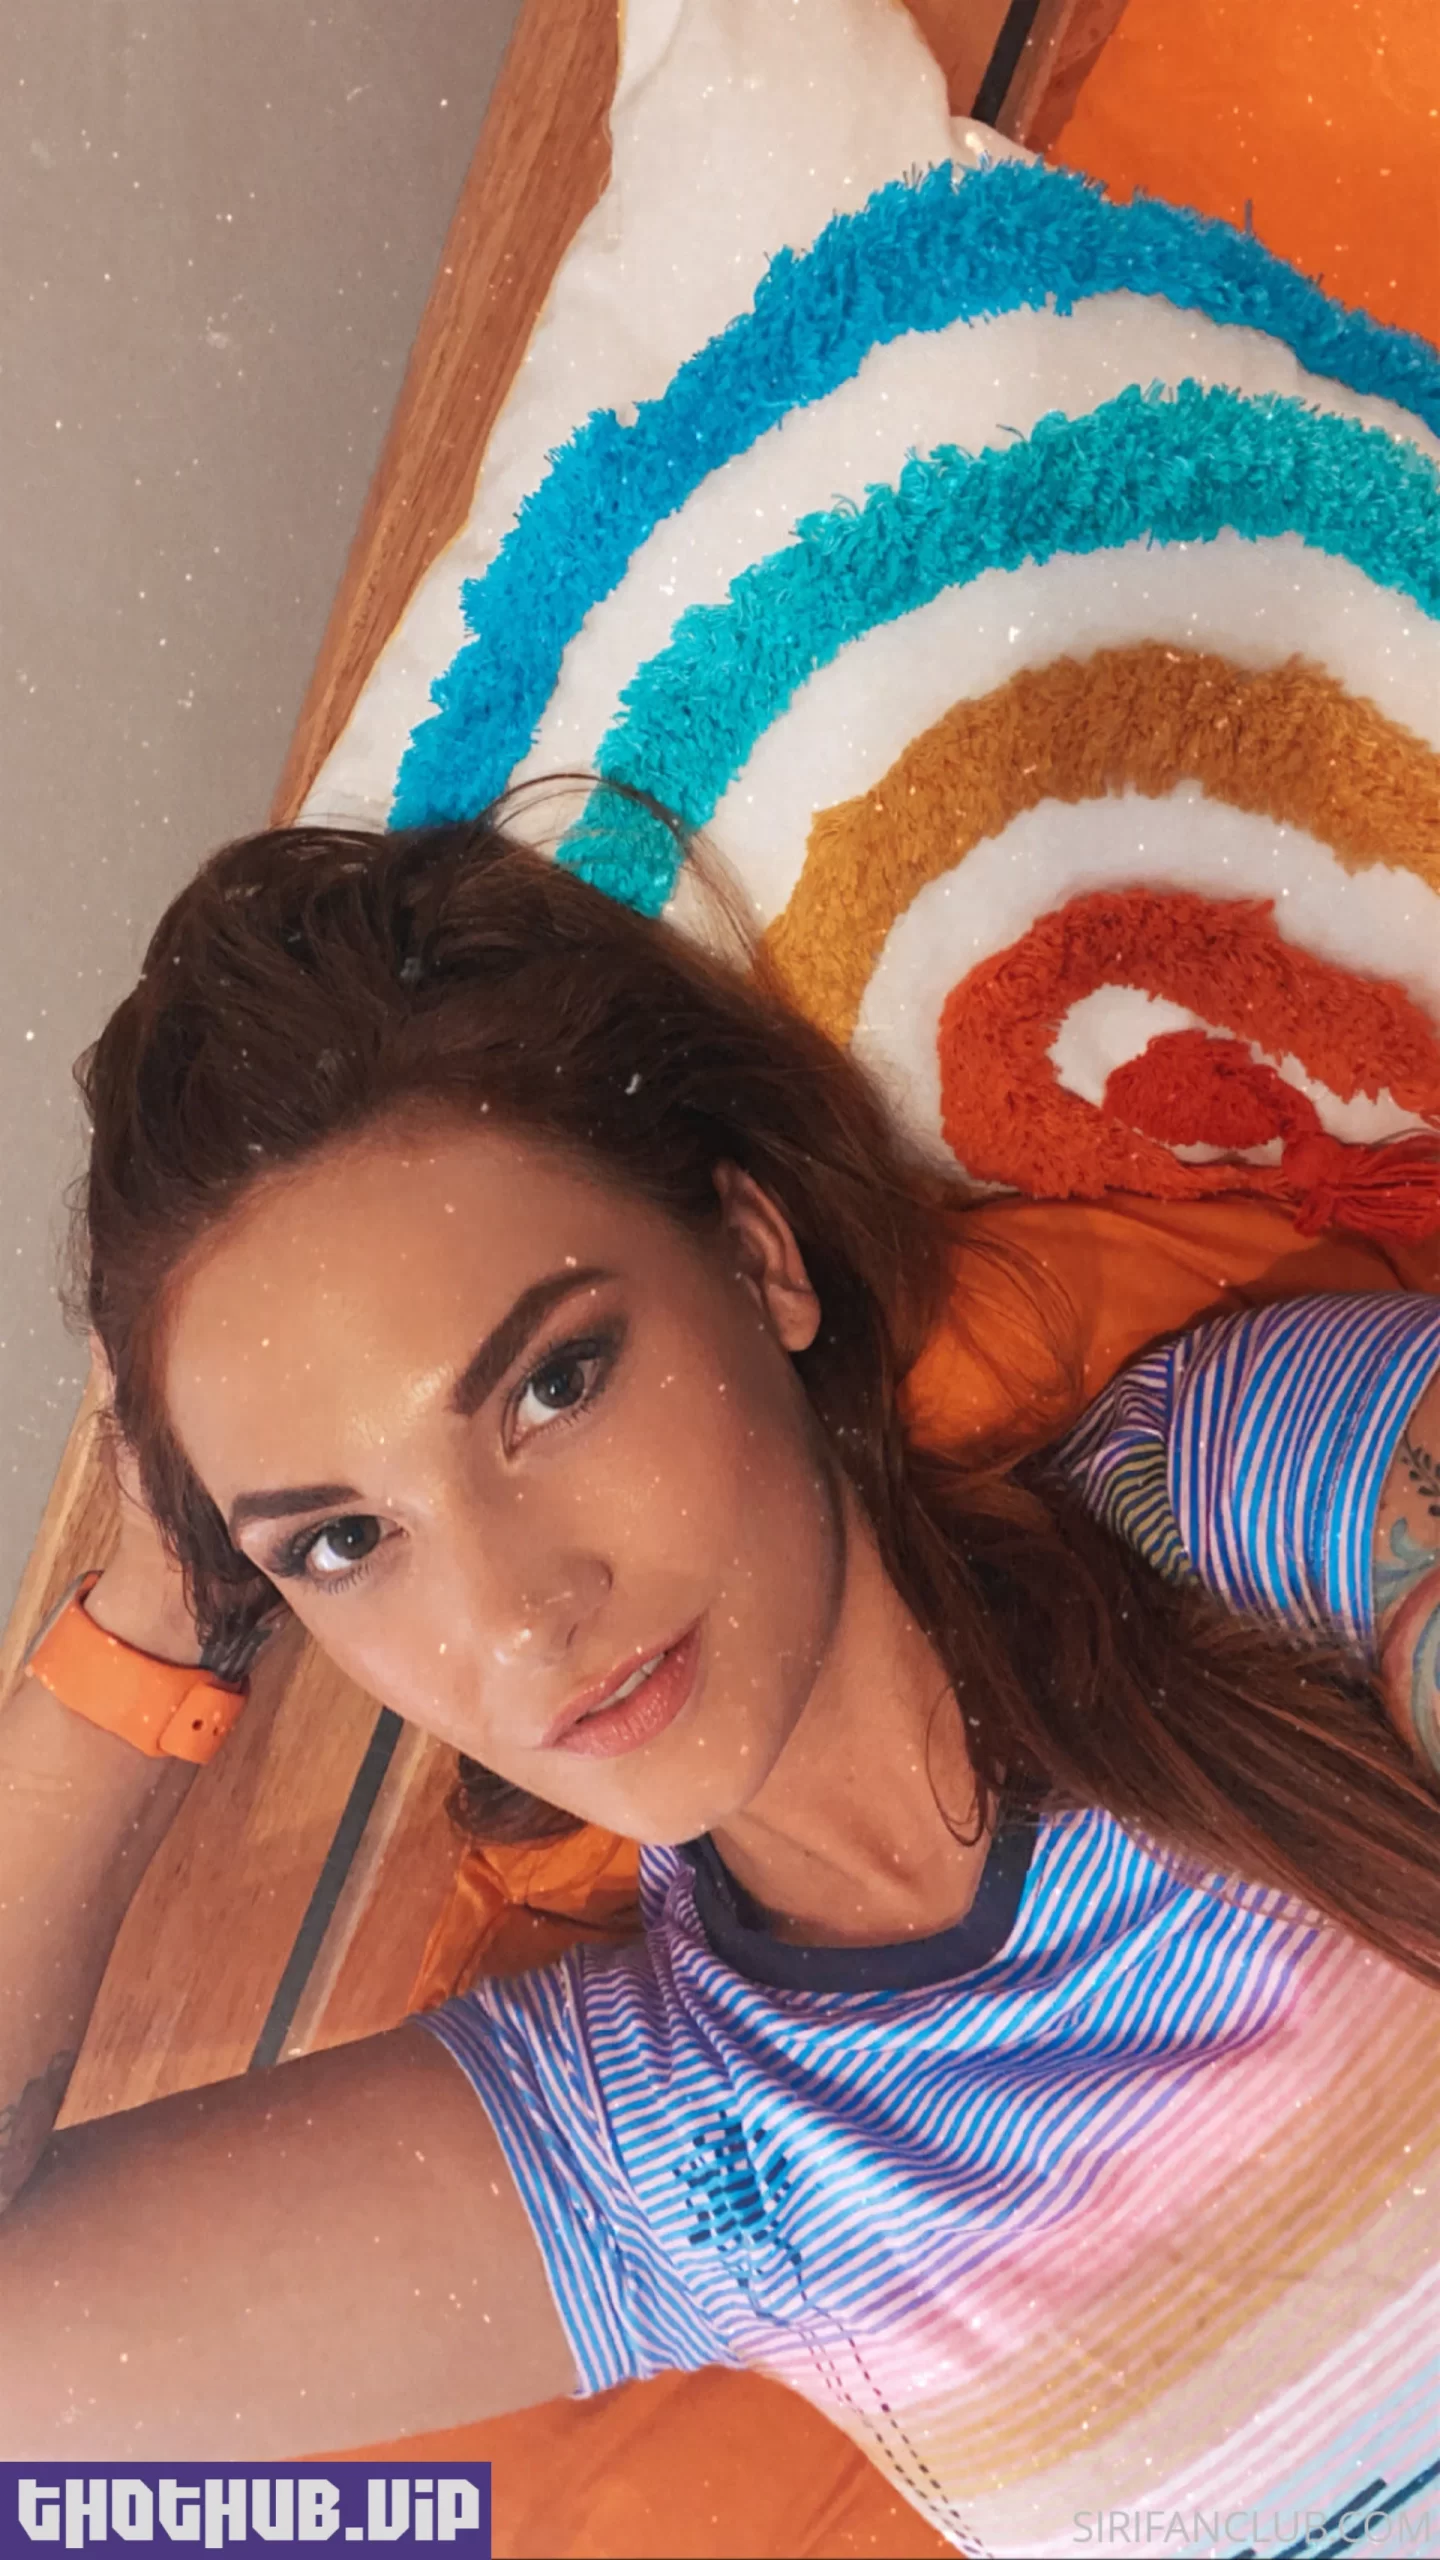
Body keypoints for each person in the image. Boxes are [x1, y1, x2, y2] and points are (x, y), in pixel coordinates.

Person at [1, 812, 1438, 2556]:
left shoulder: (1236, 1500)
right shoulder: (677, 2157)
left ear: (758, 1260)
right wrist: (154, 1619)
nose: (519, 1617)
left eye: (553, 1385)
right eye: (343, 1541)